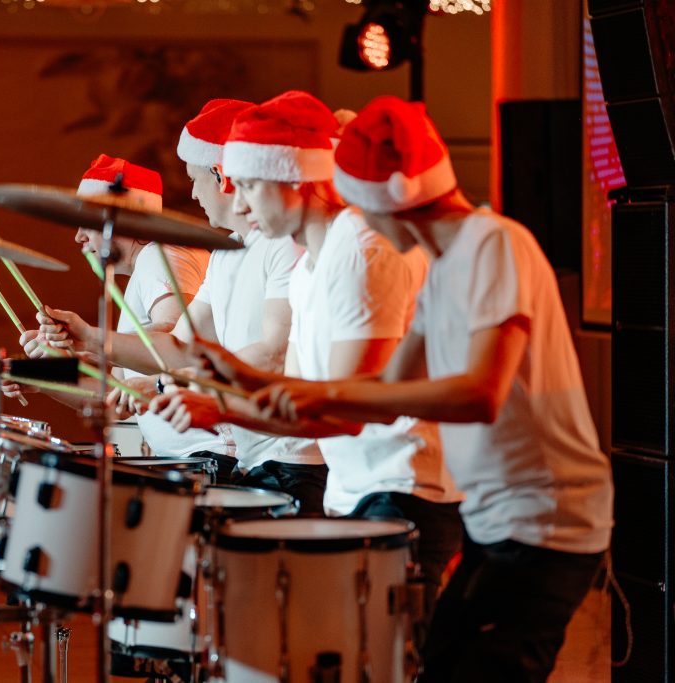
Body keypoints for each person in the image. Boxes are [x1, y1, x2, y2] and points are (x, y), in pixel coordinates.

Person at [244, 95, 613, 682]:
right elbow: (388, 385)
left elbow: (480, 394)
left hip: (547, 518)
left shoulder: (493, 242)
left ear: (390, 199)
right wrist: (287, 393)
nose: (361, 224)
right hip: (498, 519)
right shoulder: (443, 266)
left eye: (362, 208)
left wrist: (325, 397)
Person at [151, 91, 463, 619]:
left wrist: (219, 403)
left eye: (250, 185)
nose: (238, 204)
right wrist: (225, 379)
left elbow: (342, 412)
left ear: (294, 180)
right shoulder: (310, 267)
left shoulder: (360, 249)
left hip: (403, 489)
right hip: (354, 489)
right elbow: (301, 395)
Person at [40, 100, 327, 507]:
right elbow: (180, 345)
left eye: (195, 179)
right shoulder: (227, 254)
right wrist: (88, 338)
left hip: (294, 462)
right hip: (254, 460)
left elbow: (272, 353)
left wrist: (164, 383)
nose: (192, 193)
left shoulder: (282, 243)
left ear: (222, 175)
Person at [9, 154, 231, 466]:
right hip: (193, 459)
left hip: (209, 457)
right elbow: (114, 397)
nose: (78, 236)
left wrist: (89, 341)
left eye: (88, 223)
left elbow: (174, 337)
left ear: (125, 221)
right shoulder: (146, 270)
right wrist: (43, 376)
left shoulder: (159, 255)